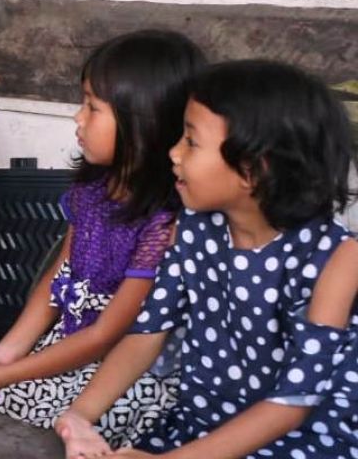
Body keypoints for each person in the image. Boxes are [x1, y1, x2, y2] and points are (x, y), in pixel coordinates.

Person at [56, 60, 357, 458]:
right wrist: (80, 416)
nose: (173, 153)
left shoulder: (339, 258)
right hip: (200, 430)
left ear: (253, 168)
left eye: (191, 142)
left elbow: (293, 403)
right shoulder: (196, 228)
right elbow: (147, 333)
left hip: (301, 444)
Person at [0, 30, 204, 447]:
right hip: (68, 345)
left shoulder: (163, 225)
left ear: (144, 122)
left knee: (47, 434)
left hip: (119, 373)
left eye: (92, 106)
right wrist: (6, 352)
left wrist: (4, 375)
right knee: (2, 422)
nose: (77, 117)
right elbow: (59, 279)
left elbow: (106, 335)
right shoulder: (92, 192)